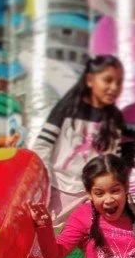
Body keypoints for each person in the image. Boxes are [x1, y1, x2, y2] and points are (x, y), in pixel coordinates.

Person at [33, 55, 129, 229]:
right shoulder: (67, 108)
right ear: (90, 80)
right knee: (44, 234)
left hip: (90, 196)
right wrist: (43, 186)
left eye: (119, 82)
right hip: (57, 189)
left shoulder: (115, 118)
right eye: (108, 80)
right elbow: (42, 147)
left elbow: (113, 161)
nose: (114, 88)